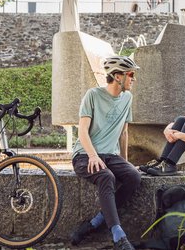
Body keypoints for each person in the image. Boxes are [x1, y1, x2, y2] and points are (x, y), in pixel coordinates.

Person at [69, 56, 142, 250]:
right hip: (85, 154)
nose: (133, 79)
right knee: (106, 177)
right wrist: (92, 155)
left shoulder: (127, 98)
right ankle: (118, 236)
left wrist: (125, 163)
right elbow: (82, 131)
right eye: (131, 74)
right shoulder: (92, 95)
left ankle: (95, 222)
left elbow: (124, 132)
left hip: (110, 155)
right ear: (118, 76)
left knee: (134, 176)